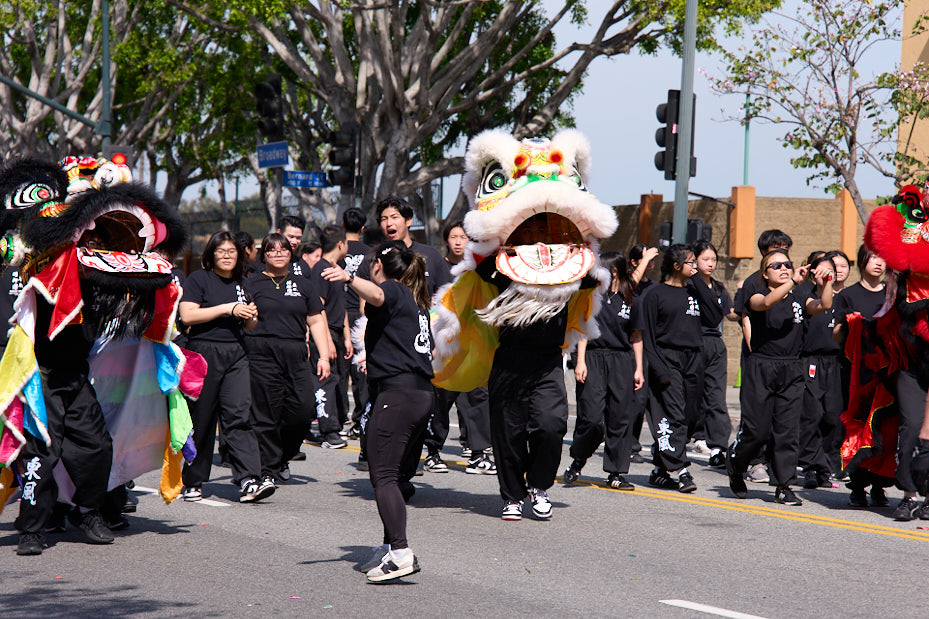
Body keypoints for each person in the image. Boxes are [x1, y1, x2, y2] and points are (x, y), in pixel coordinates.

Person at [322, 241, 434, 582]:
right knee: (394, 476)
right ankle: (389, 547)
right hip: (418, 393)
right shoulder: (415, 300)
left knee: (383, 476)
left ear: (377, 267)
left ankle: (400, 553)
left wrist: (348, 278)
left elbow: (379, 294)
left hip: (399, 394)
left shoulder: (394, 290)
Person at [727, 249, 834, 506]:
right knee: (756, 431)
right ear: (765, 273)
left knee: (787, 431)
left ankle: (784, 485)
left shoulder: (798, 296)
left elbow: (824, 305)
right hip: (761, 366)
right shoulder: (757, 294)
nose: (784, 268)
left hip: (792, 368)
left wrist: (826, 283)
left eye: (787, 264)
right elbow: (765, 304)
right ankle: (736, 463)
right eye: (776, 266)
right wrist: (794, 281)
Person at [178, 231, 270, 503]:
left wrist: (250, 316)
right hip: (204, 352)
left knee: (239, 415)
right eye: (221, 251)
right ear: (211, 254)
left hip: (236, 354)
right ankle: (193, 481)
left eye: (232, 251)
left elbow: (250, 325)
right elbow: (187, 315)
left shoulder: (243, 283)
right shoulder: (199, 279)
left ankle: (249, 478)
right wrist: (227, 308)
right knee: (202, 419)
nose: (227, 256)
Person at [632, 244, 723, 493]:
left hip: (693, 359)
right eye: (691, 262)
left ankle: (659, 471)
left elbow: (715, 316)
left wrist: (698, 281)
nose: (696, 266)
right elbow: (648, 336)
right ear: (676, 266)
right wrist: (658, 368)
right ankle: (682, 471)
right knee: (674, 416)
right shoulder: (655, 294)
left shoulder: (695, 290)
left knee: (690, 416)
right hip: (667, 359)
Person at [244, 233, 331, 489]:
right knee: (266, 414)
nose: (278, 253)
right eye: (272, 250)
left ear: (291, 253)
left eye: (283, 249)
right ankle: (268, 469)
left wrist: (324, 356)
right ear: (264, 255)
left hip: (295, 352)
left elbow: (316, 320)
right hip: (261, 353)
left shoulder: (304, 284)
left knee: (303, 411)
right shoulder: (252, 283)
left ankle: (283, 455)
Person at [564, 251, 644, 490]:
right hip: (593, 357)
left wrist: (639, 368)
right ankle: (579, 459)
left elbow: (636, 336)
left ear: (614, 272)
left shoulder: (631, 299)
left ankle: (616, 472)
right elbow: (583, 329)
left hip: (621, 360)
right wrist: (580, 361)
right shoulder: (592, 296)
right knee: (590, 417)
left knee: (620, 418)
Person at [423, 220, 496, 475]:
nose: (458, 241)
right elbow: (429, 303)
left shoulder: (477, 269)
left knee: (477, 397)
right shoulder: (438, 266)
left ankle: (478, 454)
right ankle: (432, 451)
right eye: (453, 237)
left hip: (473, 344)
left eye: (463, 237)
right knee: (441, 399)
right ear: (446, 240)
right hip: (445, 345)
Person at [731, 230, 796, 485]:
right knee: (756, 424)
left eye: (785, 250)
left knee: (785, 426)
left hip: (788, 365)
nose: (782, 258)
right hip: (759, 359)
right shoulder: (753, 283)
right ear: (763, 254)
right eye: (775, 250)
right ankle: (750, 461)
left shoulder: (795, 286)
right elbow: (746, 318)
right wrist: (754, 352)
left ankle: (783, 483)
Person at [832, 245, 889, 507]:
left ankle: (879, 486)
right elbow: (836, 335)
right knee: (857, 426)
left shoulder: (892, 294)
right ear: (862, 260)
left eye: (883, 258)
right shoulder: (848, 295)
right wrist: (850, 325)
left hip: (886, 374)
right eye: (873, 257)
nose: (879, 263)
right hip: (856, 374)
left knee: (884, 429)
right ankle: (857, 485)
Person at [798, 255, 844, 490]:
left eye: (830, 270)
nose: (826, 275)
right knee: (812, 415)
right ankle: (811, 467)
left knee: (832, 417)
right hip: (811, 361)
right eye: (821, 270)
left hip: (835, 363)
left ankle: (826, 466)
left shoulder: (843, 300)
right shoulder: (806, 297)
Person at [691, 240, 737, 467]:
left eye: (714, 260)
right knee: (691, 397)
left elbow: (730, 313)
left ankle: (718, 447)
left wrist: (747, 306)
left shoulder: (718, 288)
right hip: (691, 344)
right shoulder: (688, 286)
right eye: (705, 259)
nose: (711, 264)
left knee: (716, 397)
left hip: (715, 345)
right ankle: (689, 438)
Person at [309, 225, 353, 448]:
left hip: (337, 332)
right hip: (324, 334)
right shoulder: (321, 269)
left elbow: (340, 306)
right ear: (340, 244)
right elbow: (319, 309)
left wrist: (346, 336)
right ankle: (329, 433)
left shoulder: (337, 269)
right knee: (325, 381)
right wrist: (326, 340)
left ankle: (337, 423)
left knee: (337, 382)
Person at [626, 243, 660, 463]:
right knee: (637, 399)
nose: (651, 263)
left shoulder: (655, 287)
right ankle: (630, 445)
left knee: (654, 399)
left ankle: (662, 446)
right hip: (632, 346)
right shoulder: (628, 285)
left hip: (652, 346)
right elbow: (628, 287)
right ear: (634, 262)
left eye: (652, 260)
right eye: (646, 259)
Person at [340, 208, 371, 438]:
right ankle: (360, 418)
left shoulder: (337, 251)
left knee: (339, 369)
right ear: (363, 228)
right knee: (361, 369)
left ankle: (339, 416)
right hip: (361, 314)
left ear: (342, 225)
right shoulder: (370, 253)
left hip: (337, 313)